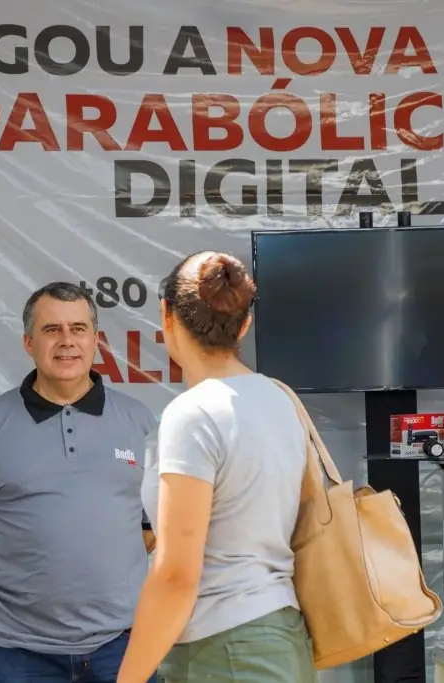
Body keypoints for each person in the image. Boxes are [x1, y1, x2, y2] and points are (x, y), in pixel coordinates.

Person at [117, 252, 316, 683]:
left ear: (165, 315)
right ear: (245, 324)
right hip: (281, 635)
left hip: (224, 649)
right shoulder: (280, 399)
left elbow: (176, 577)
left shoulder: (192, 415)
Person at [0, 282, 157, 683]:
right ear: (28, 342)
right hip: (21, 653)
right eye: (51, 330)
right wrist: (29, 587)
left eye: (78, 329)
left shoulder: (139, 423)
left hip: (123, 645)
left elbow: (150, 531)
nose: (67, 342)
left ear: (95, 340)